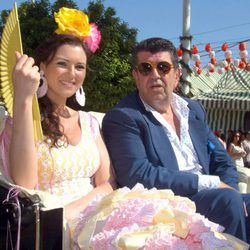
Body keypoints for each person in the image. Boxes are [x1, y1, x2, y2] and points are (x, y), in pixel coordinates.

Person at [102, 37, 250, 243]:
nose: (155, 75)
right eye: (146, 68)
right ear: (136, 76)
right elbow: (137, 174)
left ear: (176, 75)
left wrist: (231, 188)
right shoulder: (124, 117)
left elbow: (221, 159)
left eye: (163, 67)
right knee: (228, 201)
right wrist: (212, 184)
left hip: (214, 196)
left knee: (235, 199)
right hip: (167, 204)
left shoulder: (193, 110)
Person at [0, 7, 115, 247]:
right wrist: (22, 99)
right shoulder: (23, 118)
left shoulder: (90, 122)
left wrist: (76, 212)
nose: (72, 74)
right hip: (49, 231)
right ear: (42, 67)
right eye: (62, 63)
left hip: (94, 218)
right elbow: (24, 184)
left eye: (80, 67)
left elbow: (108, 182)